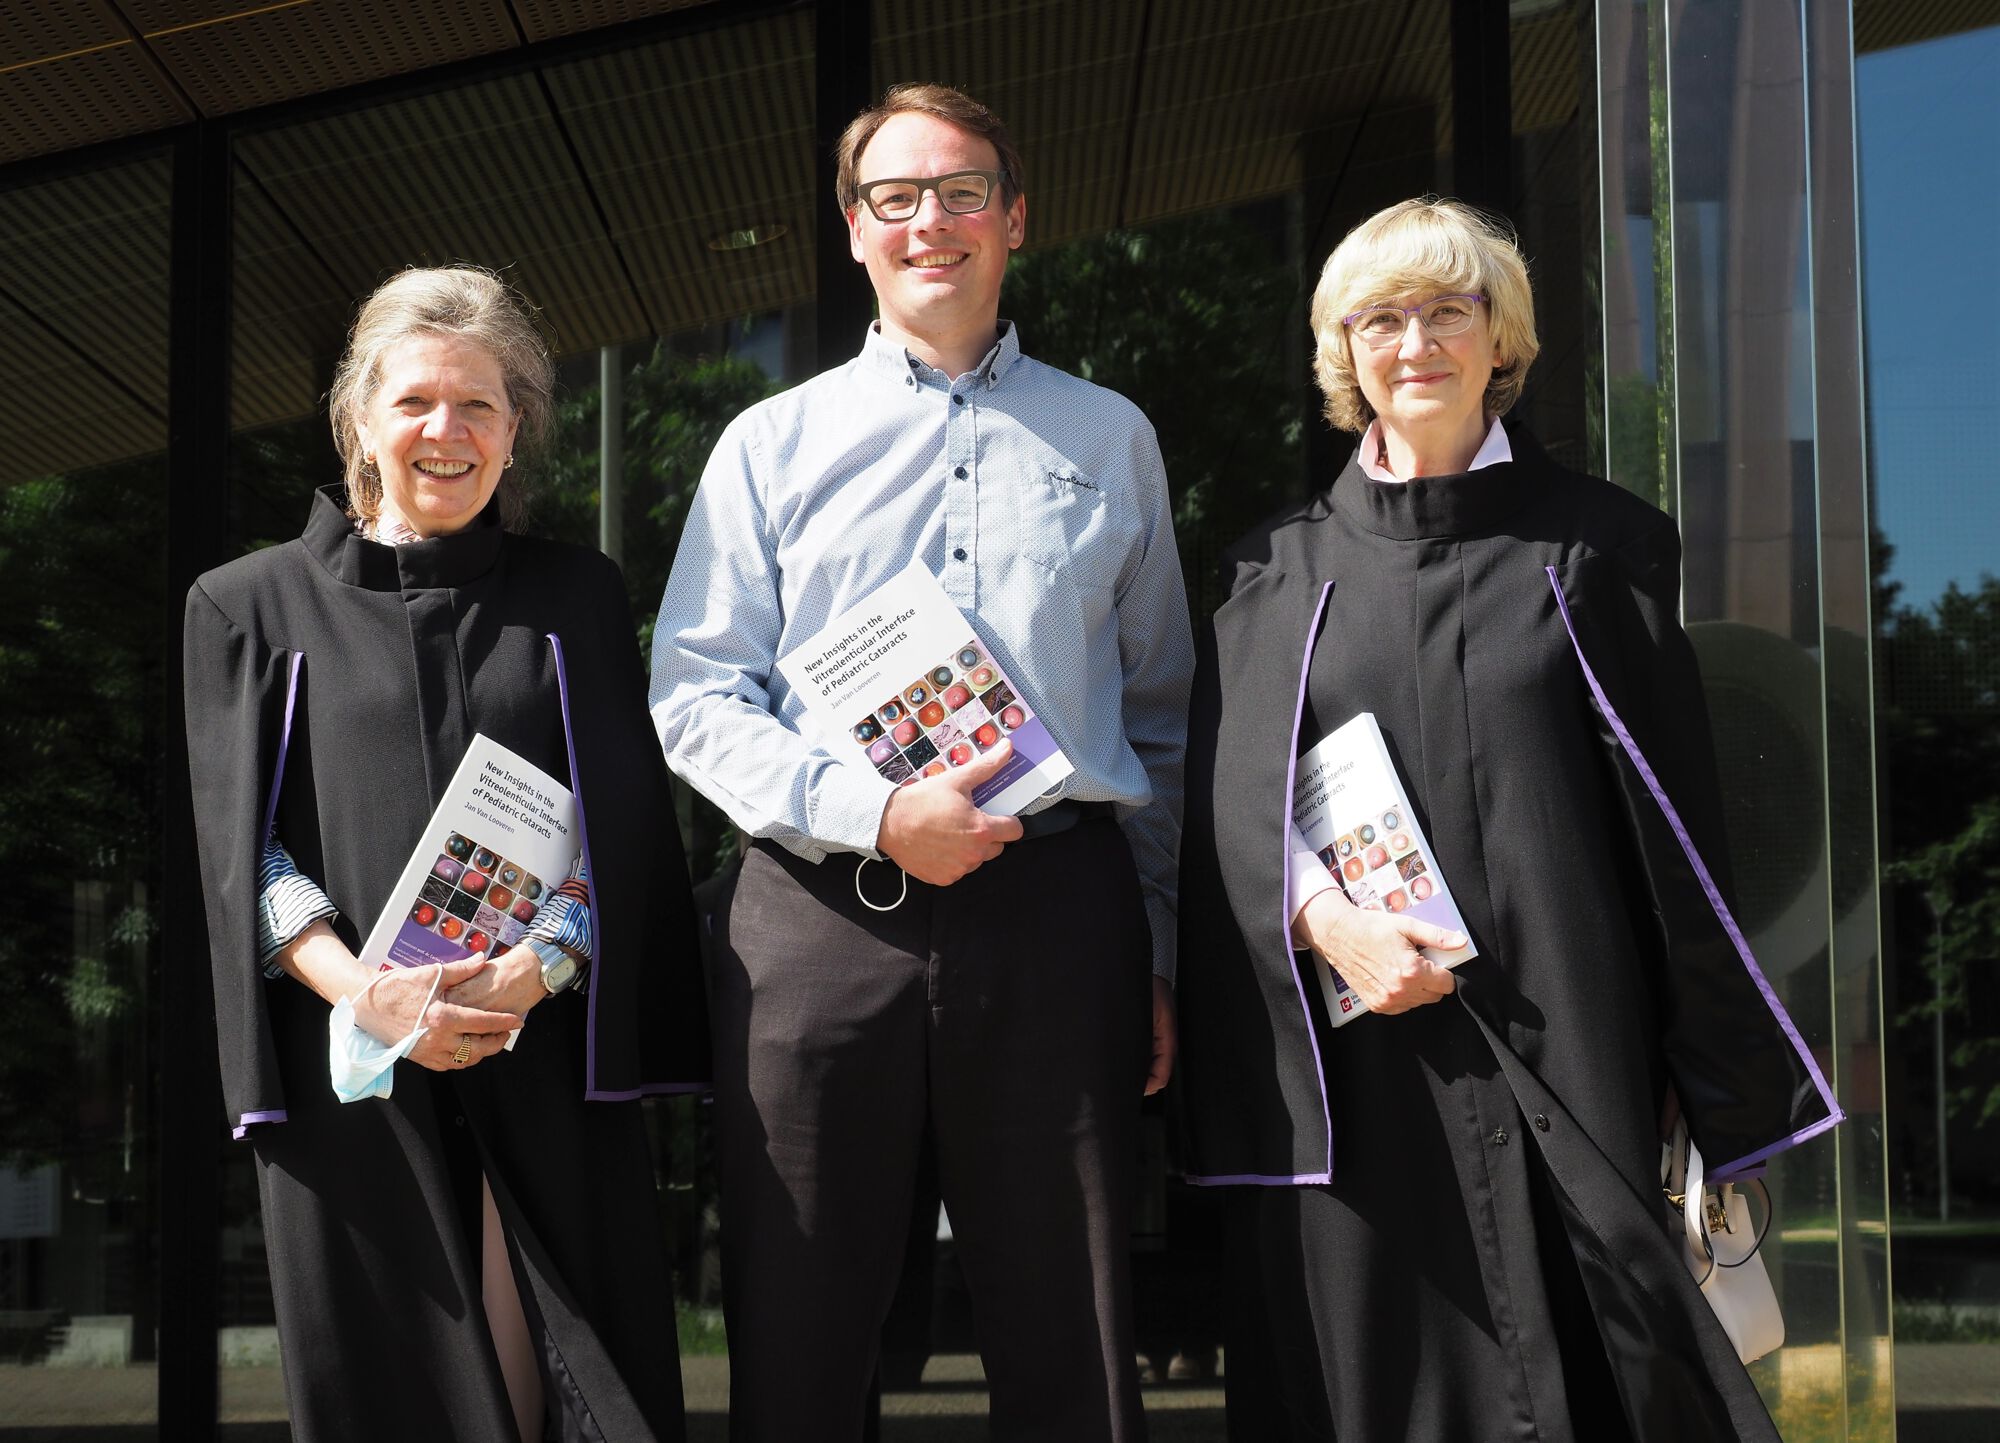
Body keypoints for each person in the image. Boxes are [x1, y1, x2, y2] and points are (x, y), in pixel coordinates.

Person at [1175, 199, 1843, 1441]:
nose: (1412, 340)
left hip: (1569, 1038)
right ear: (1341, 354)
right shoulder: (1265, 575)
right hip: (1364, 1056)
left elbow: (1671, 832)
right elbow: (1228, 807)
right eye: (1378, 317)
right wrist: (1329, 925)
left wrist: (1683, 1069)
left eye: (1446, 308)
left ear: (1502, 337)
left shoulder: (1600, 548)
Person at [649, 83, 1194, 1442]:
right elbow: (696, 693)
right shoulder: (766, 447)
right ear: (853, 229)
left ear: (1014, 218)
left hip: (1058, 915)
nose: (930, 222)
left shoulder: (1111, 435)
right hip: (820, 918)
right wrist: (874, 809)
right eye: (897, 196)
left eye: (961, 192)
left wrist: (1163, 948)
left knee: (1070, 1324)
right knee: (799, 1320)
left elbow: (1166, 709)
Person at [184, 266, 709, 1442]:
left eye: (480, 405)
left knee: (577, 1390)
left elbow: (619, 828)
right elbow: (241, 855)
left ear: (515, 429)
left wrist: (541, 968)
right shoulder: (243, 607)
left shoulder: (576, 595)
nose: (447, 431)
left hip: (546, 1057)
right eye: (416, 402)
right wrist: (367, 993)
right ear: (358, 420)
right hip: (356, 1080)